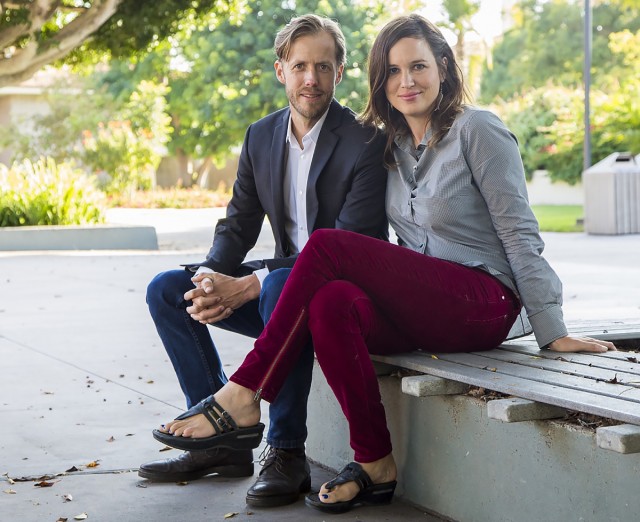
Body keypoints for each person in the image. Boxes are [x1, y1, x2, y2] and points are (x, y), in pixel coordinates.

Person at [151, 13, 617, 514]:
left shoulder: (478, 130)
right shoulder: (389, 144)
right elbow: (242, 222)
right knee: (329, 303)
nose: (406, 80)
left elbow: (520, 232)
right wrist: (212, 276)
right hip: (424, 306)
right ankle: (375, 462)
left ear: (443, 66)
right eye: (393, 71)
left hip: (486, 299)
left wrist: (552, 328)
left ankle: (243, 395)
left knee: (324, 249)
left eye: (417, 66)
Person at [139, 13, 388, 509]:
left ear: (340, 73)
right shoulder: (261, 136)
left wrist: (249, 283)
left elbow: (348, 244)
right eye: (299, 66)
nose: (310, 79)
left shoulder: (366, 139)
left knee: (275, 286)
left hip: (334, 300)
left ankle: (287, 451)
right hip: (278, 293)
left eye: (322, 66)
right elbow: (239, 222)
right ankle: (221, 438)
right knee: (167, 289)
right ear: (281, 71)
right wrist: (212, 276)